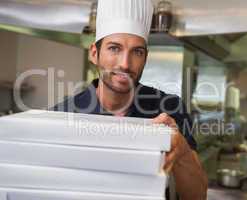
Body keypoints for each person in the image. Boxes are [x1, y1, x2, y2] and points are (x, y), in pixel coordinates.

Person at [53, 0, 207, 199]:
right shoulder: (60, 115)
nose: (125, 64)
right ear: (94, 53)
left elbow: (197, 196)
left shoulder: (170, 108)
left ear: (145, 57)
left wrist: (182, 151)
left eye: (137, 52)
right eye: (114, 48)